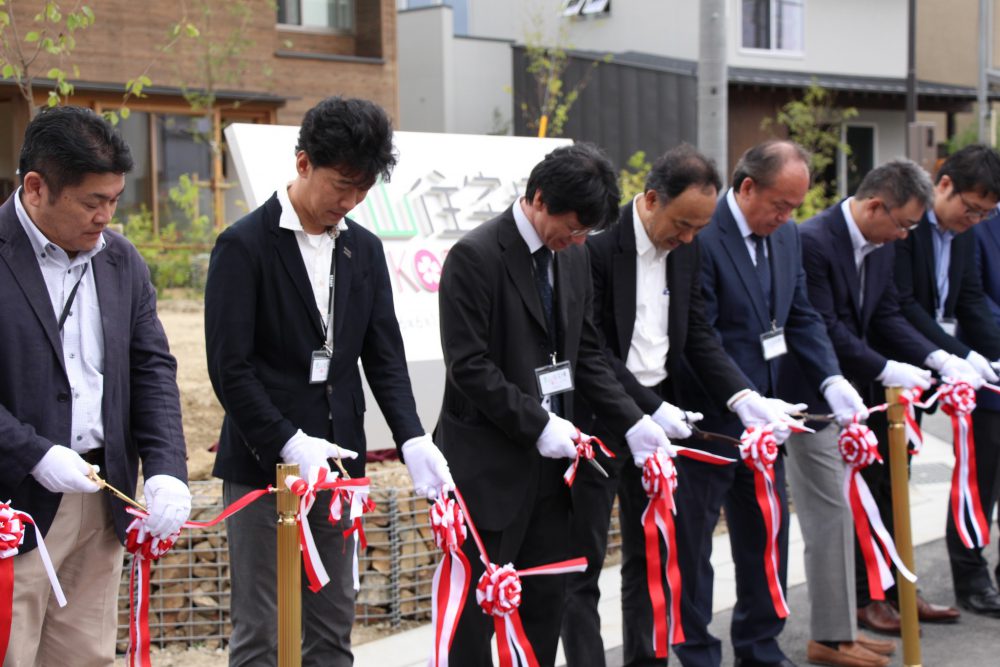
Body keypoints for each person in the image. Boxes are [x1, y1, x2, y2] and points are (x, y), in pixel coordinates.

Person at [205, 96, 453, 666]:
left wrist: (413, 436)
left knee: (333, 622)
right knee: (261, 631)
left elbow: (384, 356)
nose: (349, 201)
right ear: (302, 163)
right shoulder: (244, 246)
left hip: (342, 466)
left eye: (362, 190)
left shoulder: (362, 248)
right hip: (265, 464)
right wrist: (288, 442)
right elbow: (230, 369)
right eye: (341, 184)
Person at [436, 142, 672, 666]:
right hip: (488, 467)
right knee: (476, 616)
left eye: (587, 232)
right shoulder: (475, 257)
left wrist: (634, 420)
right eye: (572, 226)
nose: (576, 239)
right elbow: (469, 366)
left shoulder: (575, 256)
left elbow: (585, 351)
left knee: (545, 603)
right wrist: (537, 422)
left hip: (554, 471)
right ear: (539, 198)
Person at [561, 144, 796, 667]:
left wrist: (743, 397)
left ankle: (649, 661)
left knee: (653, 556)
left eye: (698, 228)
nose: (688, 237)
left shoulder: (688, 249)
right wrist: (647, 408)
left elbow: (698, 338)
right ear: (650, 200)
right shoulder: (597, 249)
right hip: (600, 417)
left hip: (661, 418)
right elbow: (591, 350)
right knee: (584, 564)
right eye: (682, 224)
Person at [0, 106, 191, 666]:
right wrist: (32, 452)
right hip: (15, 507)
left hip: (99, 498)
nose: (106, 216)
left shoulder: (121, 262)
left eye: (114, 200)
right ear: (36, 188)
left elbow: (153, 369)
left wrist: (165, 469)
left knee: (86, 655)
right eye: (91, 202)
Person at [673, 140, 864, 667]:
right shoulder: (703, 235)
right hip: (709, 419)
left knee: (765, 537)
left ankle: (760, 646)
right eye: (780, 204)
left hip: (768, 424)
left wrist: (830, 379)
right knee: (694, 549)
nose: (787, 217)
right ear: (748, 187)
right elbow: (697, 336)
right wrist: (742, 399)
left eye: (795, 208)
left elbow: (801, 314)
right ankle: (697, 653)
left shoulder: (786, 240)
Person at [782, 159, 945, 664]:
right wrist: (886, 366)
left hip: (850, 398)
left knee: (847, 510)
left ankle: (841, 629)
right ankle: (830, 638)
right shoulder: (812, 242)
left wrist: (935, 357)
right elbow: (825, 326)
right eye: (903, 224)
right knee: (829, 513)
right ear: (876, 204)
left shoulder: (879, 247)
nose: (904, 236)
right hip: (808, 396)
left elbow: (887, 313)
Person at [867, 143, 1000, 625]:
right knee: (879, 482)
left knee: (897, 480)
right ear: (945, 184)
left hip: (928, 370)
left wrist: (992, 356)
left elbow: (968, 302)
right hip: (889, 369)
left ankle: (899, 588)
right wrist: (956, 357)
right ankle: (874, 594)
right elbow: (900, 304)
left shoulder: (962, 236)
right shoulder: (909, 226)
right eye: (971, 208)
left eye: (986, 214)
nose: (976, 220)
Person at [964, 207, 1000, 618]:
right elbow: (973, 298)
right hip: (990, 379)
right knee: (979, 487)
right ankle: (971, 577)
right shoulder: (978, 226)